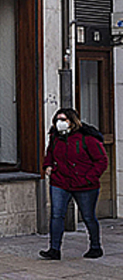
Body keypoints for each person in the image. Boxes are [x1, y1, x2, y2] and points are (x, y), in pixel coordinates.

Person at [40, 108, 108, 260]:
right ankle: (54, 249)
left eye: (63, 119)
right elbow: (50, 153)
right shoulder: (55, 137)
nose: (60, 123)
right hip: (60, 182)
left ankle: (95, 247)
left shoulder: (87, 137)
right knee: (57, 215)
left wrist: (88, 177)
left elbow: (102, 160)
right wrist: (48, 166)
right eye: (58, 119)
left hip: (84, 185)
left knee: (88, 216)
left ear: (72, 121)